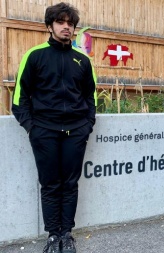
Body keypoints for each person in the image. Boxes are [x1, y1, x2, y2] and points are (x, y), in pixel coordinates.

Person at [12, 2, 96, 252]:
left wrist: (87, 125)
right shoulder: (34, 56)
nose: (66, 27)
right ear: (49, 26)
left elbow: (90, 97)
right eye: (61, 22)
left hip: (75, 132)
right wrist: (31, 127)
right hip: (44, 132)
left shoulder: (82, 60)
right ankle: (53, 235)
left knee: (70, 184)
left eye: (70, 23)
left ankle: (67, 234)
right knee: (50, 184)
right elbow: (19, 98)